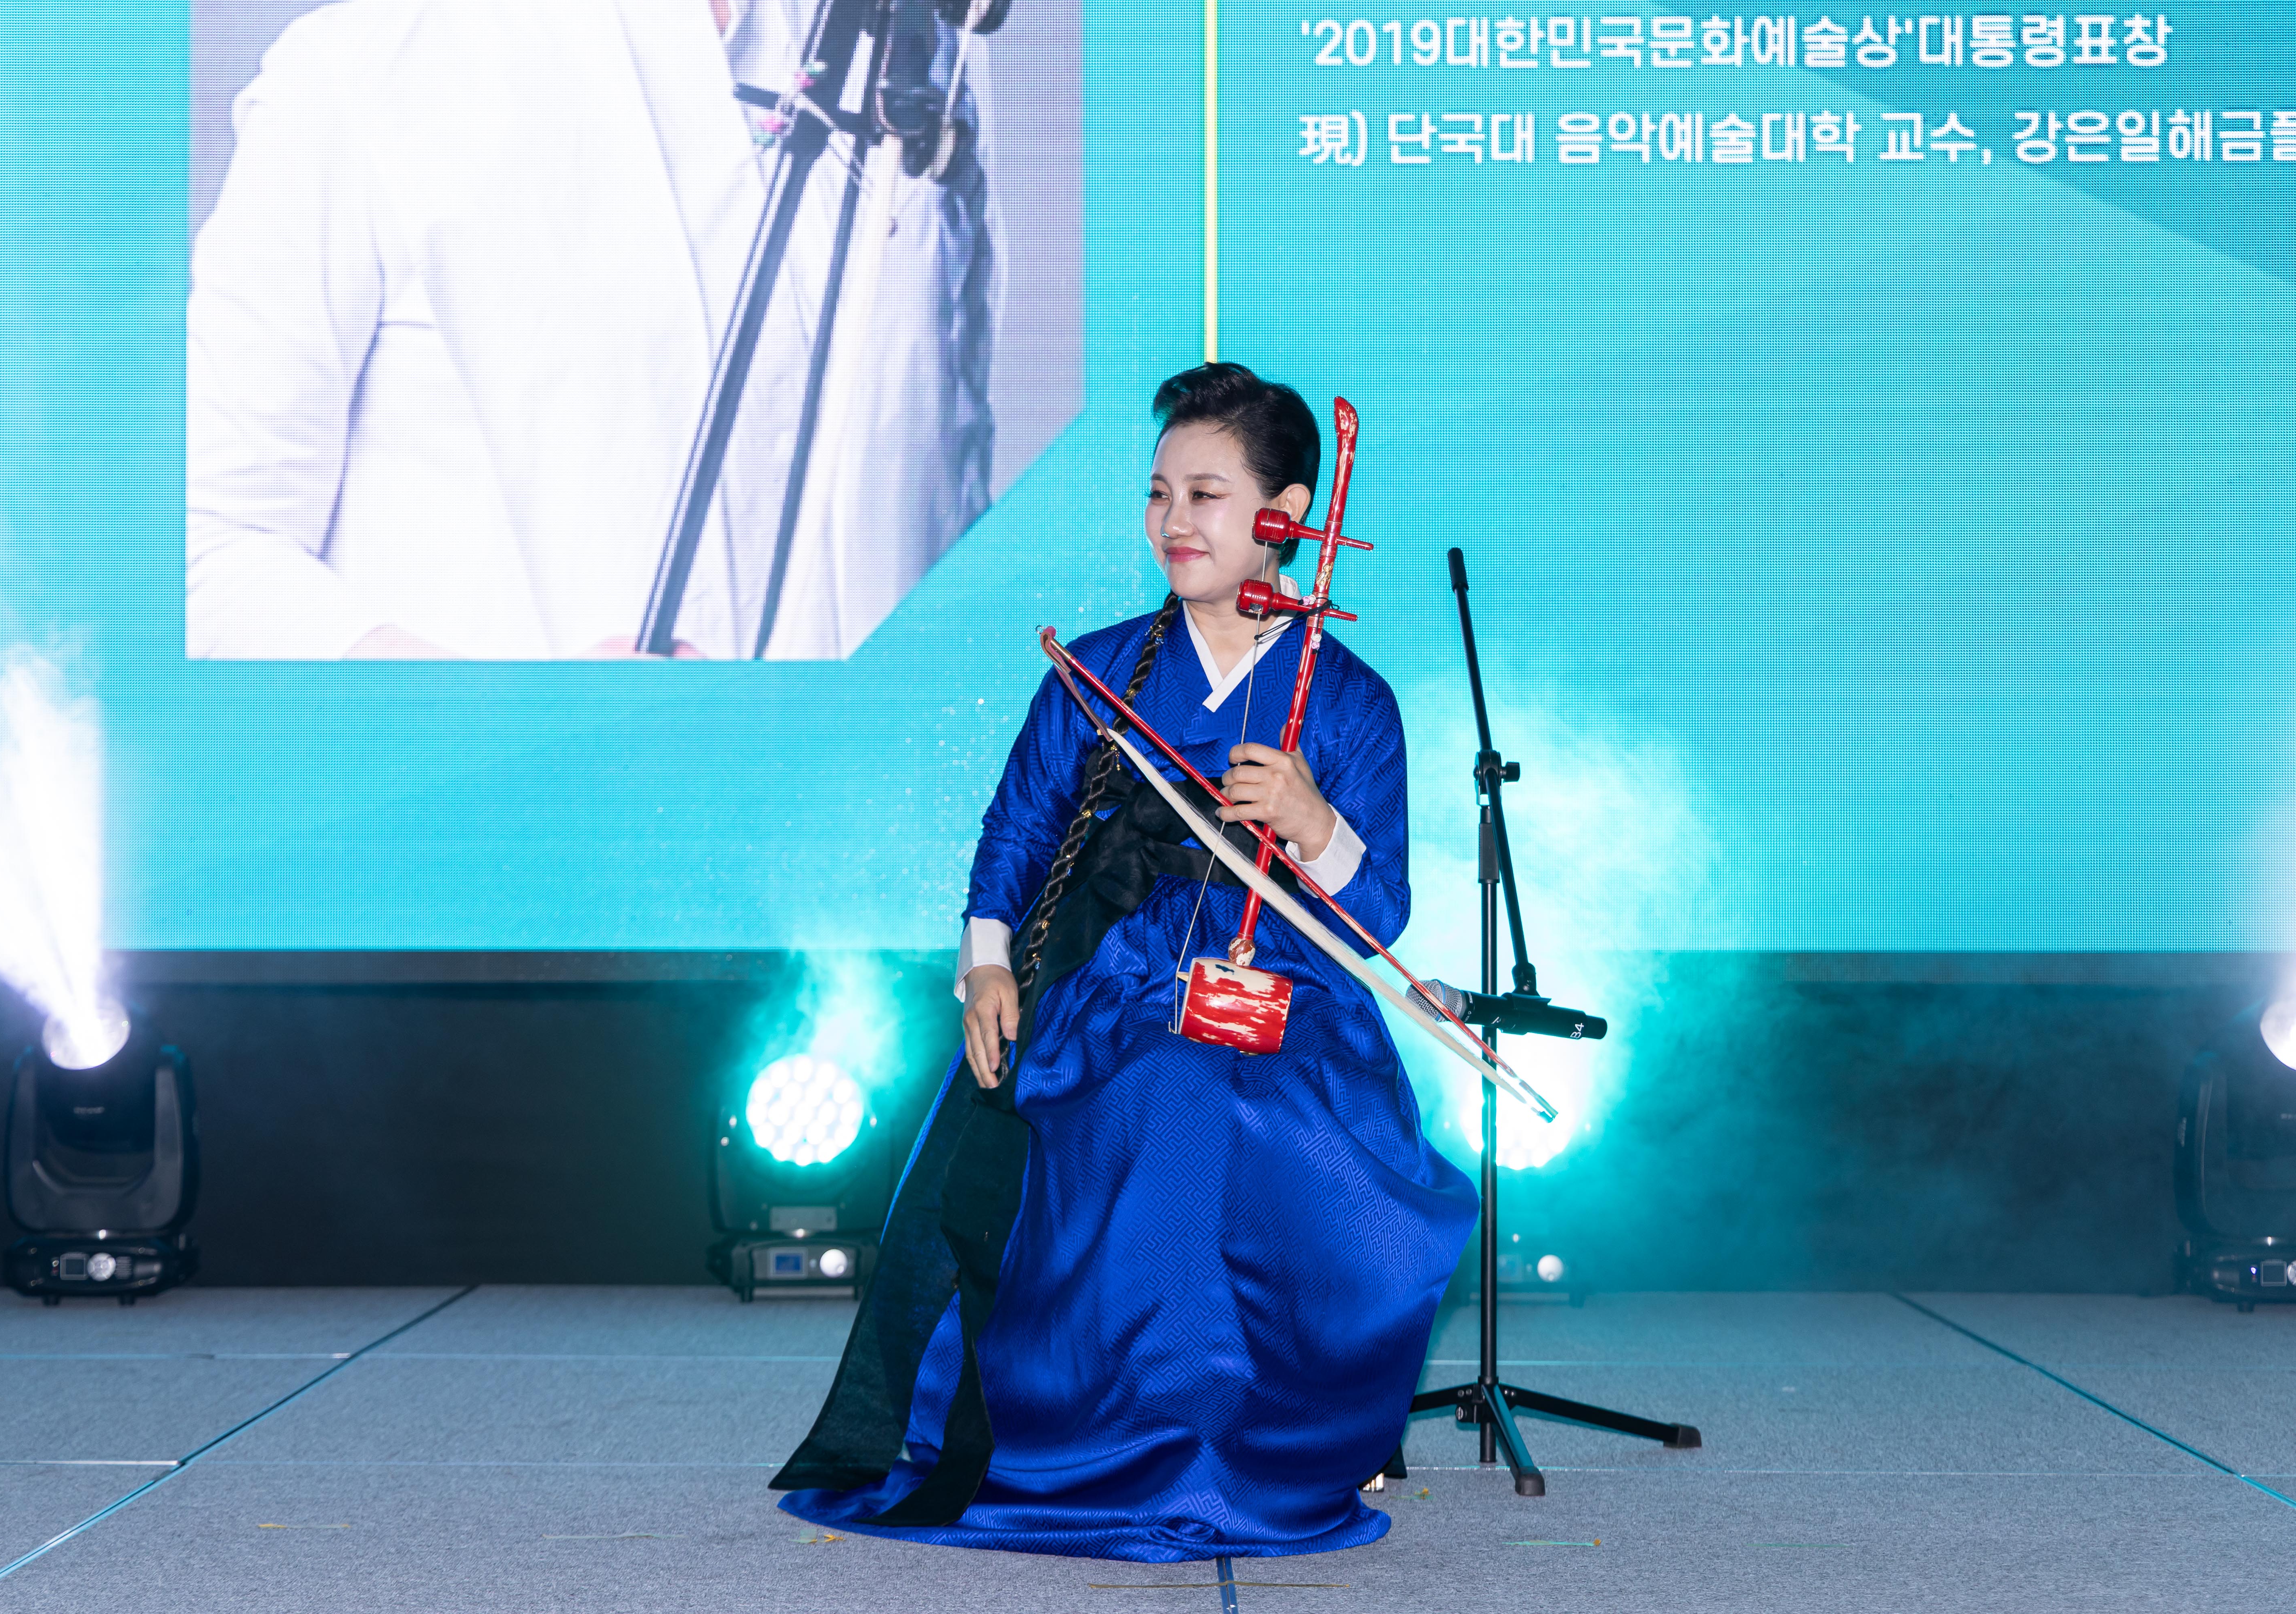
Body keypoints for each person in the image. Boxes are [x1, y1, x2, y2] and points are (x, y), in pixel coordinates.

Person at [772, 362, 1478, 1560]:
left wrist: (1316, 824)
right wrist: (988, 965)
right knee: (1147, 1104)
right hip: (1112, 981)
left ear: (1287, 515)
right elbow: (1017, 832)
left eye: (1206, 494)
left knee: (1250, 1129)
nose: (1173, 521)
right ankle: (1120, 1443)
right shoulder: (1100, 671)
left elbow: (1380, 917)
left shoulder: (1350, 702)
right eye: (1160, 493)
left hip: (1288, 998)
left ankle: (1241, 1444)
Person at [185, 0, 997, 660]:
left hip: (887, 800)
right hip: (535, 809)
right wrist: (529, 725)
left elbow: (946, 495)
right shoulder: (362, 72)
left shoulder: (926, 55)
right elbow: (210, 554)